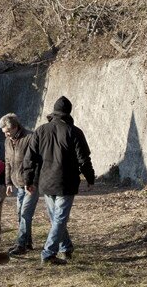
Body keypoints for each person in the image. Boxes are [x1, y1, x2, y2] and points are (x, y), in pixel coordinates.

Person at [22, 96, 95, 266]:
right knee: (59, 219)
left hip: (45, 182)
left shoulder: (40, 130)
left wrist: (28, 180)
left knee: (57, 218)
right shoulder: (74, 132)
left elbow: (29, 158)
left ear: (54, 112)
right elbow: (83, 159)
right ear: (69, 112)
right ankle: (48, 253)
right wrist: (90, 177)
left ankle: (66, 247)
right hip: (66, 182)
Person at [0, 112, 38, 255]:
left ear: (16, 127)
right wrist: (8, 182)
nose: (6, 135)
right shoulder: (7, 141)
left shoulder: (30, 137)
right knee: (19, 213)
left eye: (8, 131)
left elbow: (35, 162)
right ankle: (27, 242)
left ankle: (20, 244)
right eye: (4, 132)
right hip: (18, 183)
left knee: (25, 213)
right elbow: (7, 162)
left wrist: (32, 181)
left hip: (31, 183)